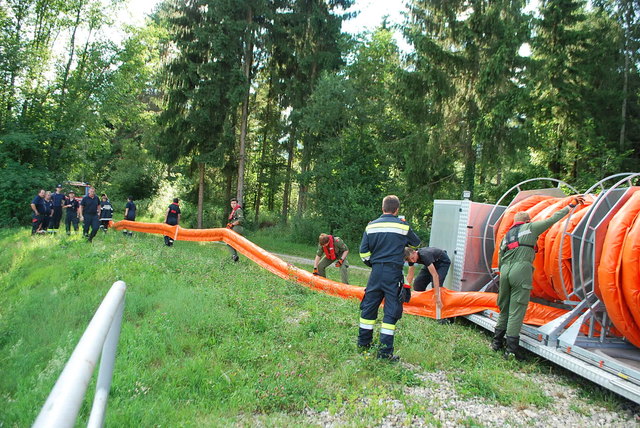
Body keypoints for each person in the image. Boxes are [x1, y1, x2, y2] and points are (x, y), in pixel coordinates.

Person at [491, 195, 585, 360]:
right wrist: (571, 206)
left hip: (504, 271)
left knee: (504, 307)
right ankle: (511, 351)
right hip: (521, 270)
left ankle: (496, 343)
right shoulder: (531, 228)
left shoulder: (506, 236)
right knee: (517, 310)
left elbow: (499, 258)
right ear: (527, 221)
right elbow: (552, 219)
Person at [358, 195, 421, 361]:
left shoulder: (370, 226)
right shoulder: (402, 226)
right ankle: (385, 353)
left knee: (369, 306)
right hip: (393, 273)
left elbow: (363, 253)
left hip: (376, 272)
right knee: (391, 310)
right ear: (397, 210)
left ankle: (363, 344)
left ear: (382, 208)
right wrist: (404, 225)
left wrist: (375, 264)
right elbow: (416, 244)